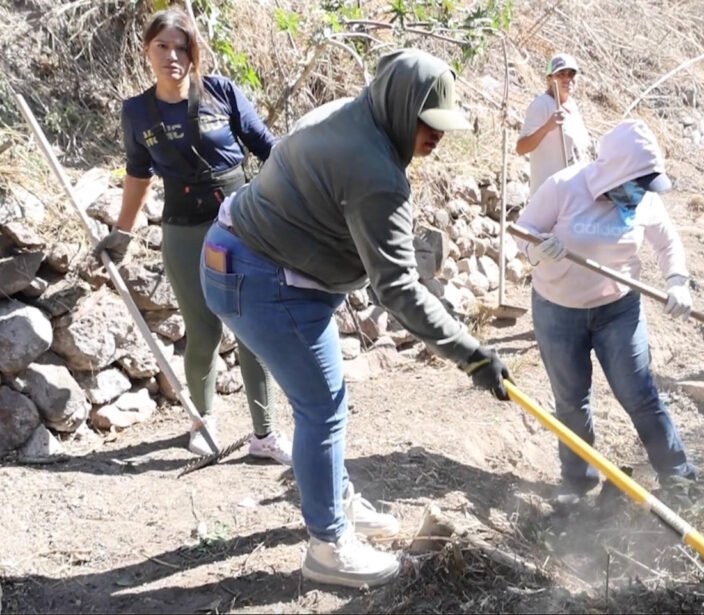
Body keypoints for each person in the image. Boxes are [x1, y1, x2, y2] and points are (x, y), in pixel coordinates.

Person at [200, 49, 512, 588]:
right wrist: (473, 355)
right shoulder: (374, 173)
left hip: (237, 255)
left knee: (323, 403)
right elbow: (397, 289)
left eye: (443, 124)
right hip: (263, 277)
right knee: (322, 407)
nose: (436, 135)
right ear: (401, 108)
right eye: (428, 123)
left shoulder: (352, 114)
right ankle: (329, 547)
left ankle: (337, 501)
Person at [94, 9, 290, 465]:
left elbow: (269, 148)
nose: (172, 56)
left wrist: (306, 186)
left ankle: (264, 434)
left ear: (193, 52)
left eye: (181, 47)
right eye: (162, 46)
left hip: (241, 226)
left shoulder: (221, 92)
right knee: (202, 331)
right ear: (146, 50)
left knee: (252, 328)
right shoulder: (136, 111)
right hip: (183, 229)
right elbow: (138, 173)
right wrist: (122, 232)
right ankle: (203, 423)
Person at [515, 119, 698, 507]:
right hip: (558, 311)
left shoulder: (644, 199)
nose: (642, 193)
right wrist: (537, 248)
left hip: (618, 310)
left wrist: (677, 280)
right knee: (571, 400)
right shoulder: (564, 187)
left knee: (640, 392)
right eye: (637, 183)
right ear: (616, 173)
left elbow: (667, 243)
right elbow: (522, 230)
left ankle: (678, 477)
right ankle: (577, 482)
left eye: (647, 185)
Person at [516, 53, 592, 195]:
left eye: (571, 74)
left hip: (573, 192)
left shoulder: (572, 105)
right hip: (550, 195)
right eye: (561, 74)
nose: (567, 79)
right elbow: (521, 148)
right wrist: (546, 128)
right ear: (550, 79)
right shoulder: (541, 105)